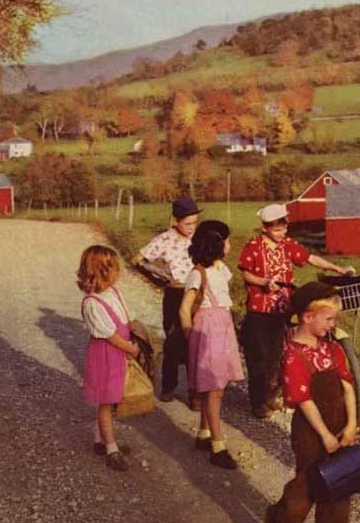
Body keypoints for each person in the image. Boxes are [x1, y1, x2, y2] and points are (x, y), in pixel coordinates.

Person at [263, 282, 357, 523]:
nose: (333, 324)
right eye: (329, 318)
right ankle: (278, 520)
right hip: (310, 430)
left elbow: (348, 386)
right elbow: (303, 400)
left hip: (340, 424)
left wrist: (351, 424)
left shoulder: (333, 349)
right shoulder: (294, 354)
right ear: (307, 317)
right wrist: (325, 435)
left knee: (339, 488)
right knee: (306, 488)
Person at [238, 203, 354, 419]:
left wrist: (337, 268)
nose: (281, 233)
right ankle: (257, 402)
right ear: (265, 228)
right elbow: (245, 274)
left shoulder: (287, 245)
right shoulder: (253, 246)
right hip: (260, 310)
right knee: (259, 358)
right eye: (276, 230)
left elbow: (310, 258)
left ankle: (272, 395)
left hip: (283, 308)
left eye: (283, 229)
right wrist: (263, 282)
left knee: (277, 355)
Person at [179, 221, 243, 469]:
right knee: (213, 389)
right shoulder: (198, 273)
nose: (229, 244)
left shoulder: (221, 270)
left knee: (216, 386)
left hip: (223, 328)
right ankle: (218, 445)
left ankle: (204, 433)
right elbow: (184, 309)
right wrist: (191, 337)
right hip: (208, 332)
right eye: (226, 240)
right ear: (216, 244)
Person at [132, 195, 201, 410]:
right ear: (175, 221)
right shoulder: (165, 239)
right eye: (187, 223)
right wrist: (158, 276)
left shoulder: (199, 237)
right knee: (173, 341)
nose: (192, 227)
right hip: (175, 293)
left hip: (197, 294)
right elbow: (138, 259)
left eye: (194, 222)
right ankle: (169, 386)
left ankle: (194, 391)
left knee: (195, 342)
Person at [77, 245, 141, 472]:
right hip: (106, 353)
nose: (118, 273)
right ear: (101, 271)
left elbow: (126, 316)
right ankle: (111, 448)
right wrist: (130, 348)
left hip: (118, 352)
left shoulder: (114, 292)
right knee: (106, 402)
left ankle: (100, 439)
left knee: (112, 396)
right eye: (114, 269)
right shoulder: (93, 303)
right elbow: (109, 334)